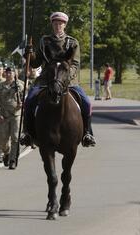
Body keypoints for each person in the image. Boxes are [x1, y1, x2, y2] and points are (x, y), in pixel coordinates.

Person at [20, 11, 96, 147]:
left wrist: (65, 77)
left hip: (68, 81)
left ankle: (87, 133)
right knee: (29, 99)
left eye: (60, 23)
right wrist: (29, 54)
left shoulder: (73, 42)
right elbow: (36, 63)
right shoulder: (45, 40)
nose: (58, 26)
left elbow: (75, 64)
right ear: (52, 24)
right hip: (45, 80)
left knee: (86, 103)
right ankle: (28, 133)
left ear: (65, 25)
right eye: (55, 23)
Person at [0, 66, 24, 168]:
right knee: (2, 140)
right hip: (4, 116)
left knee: (15, 138)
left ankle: (13, 160)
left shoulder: (20, 85)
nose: (8, 74)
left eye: (10, 72)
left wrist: (22, 104)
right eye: (6, 72)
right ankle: (7, 153)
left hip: (16, 115)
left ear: (14, 74)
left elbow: (26, 96)